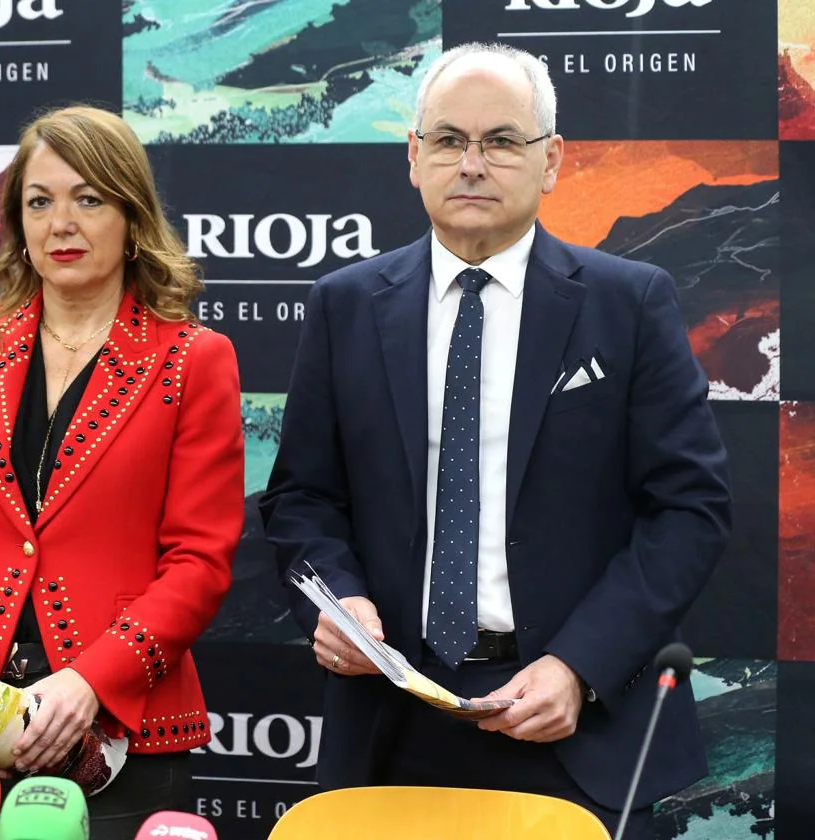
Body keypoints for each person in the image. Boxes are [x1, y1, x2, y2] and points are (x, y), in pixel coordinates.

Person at [260, 42, 731, 838]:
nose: (471, 164)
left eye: (502, 141)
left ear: (551, 162)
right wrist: (339, 600)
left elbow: (689, 511)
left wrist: (580, 667)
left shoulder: (630, 303)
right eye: (448, 140)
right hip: (392, 722)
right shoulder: (344, 305)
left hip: (577, 731)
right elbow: (303, 496)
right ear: (413, 158)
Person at [0, 105, 245, 838]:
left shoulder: (193, 360)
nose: (61, 222)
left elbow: (199, 562)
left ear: (132, 216)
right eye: (39, 201)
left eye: (89, 198)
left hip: (121, 740)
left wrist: (90, 681)